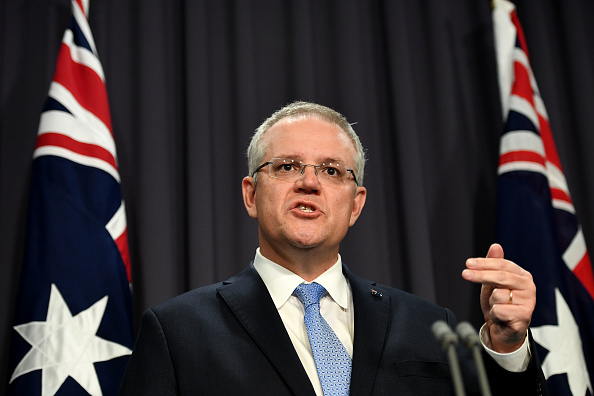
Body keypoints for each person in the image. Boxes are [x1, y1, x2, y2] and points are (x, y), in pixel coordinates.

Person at [118, 101, 547, 395]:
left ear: (356, 203)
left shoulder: (430, 327)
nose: (309, 182)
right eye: (286, 166)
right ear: (251, 195)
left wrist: (507, 348)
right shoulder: (177, 335)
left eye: (331, 170)